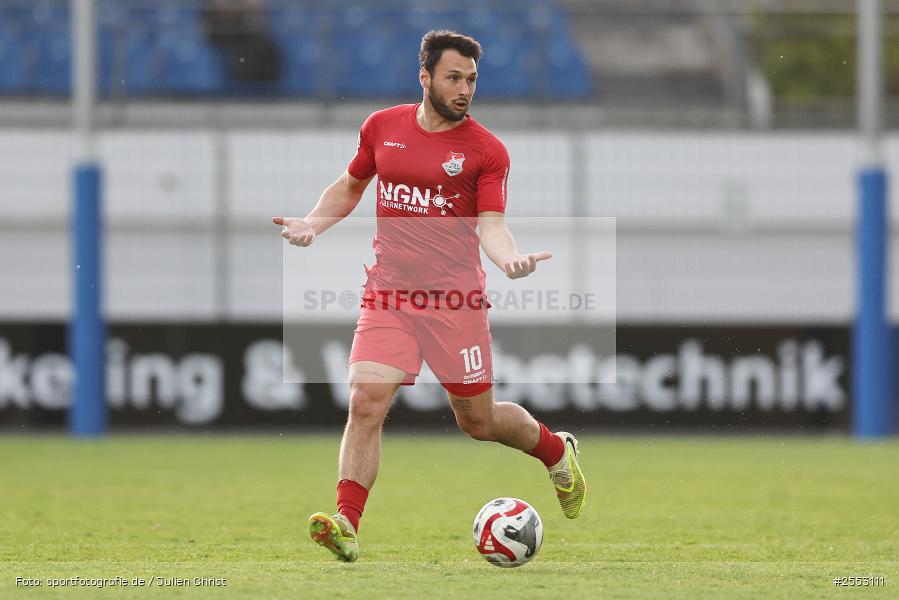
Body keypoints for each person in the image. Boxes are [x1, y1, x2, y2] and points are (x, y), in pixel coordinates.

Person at [272, 30, 586, 563]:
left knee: (478, 422)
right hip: (388, 294)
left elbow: (492, 225)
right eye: (454, 78)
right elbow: (350, 186)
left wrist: (508, 259)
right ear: (425, 77)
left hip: (454, 304)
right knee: (365, 401)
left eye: (471, 80)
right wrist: (312, 223)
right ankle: (346, 522)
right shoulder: (382, 127)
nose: (465, 89)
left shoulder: (487, 151)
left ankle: (557, 451)